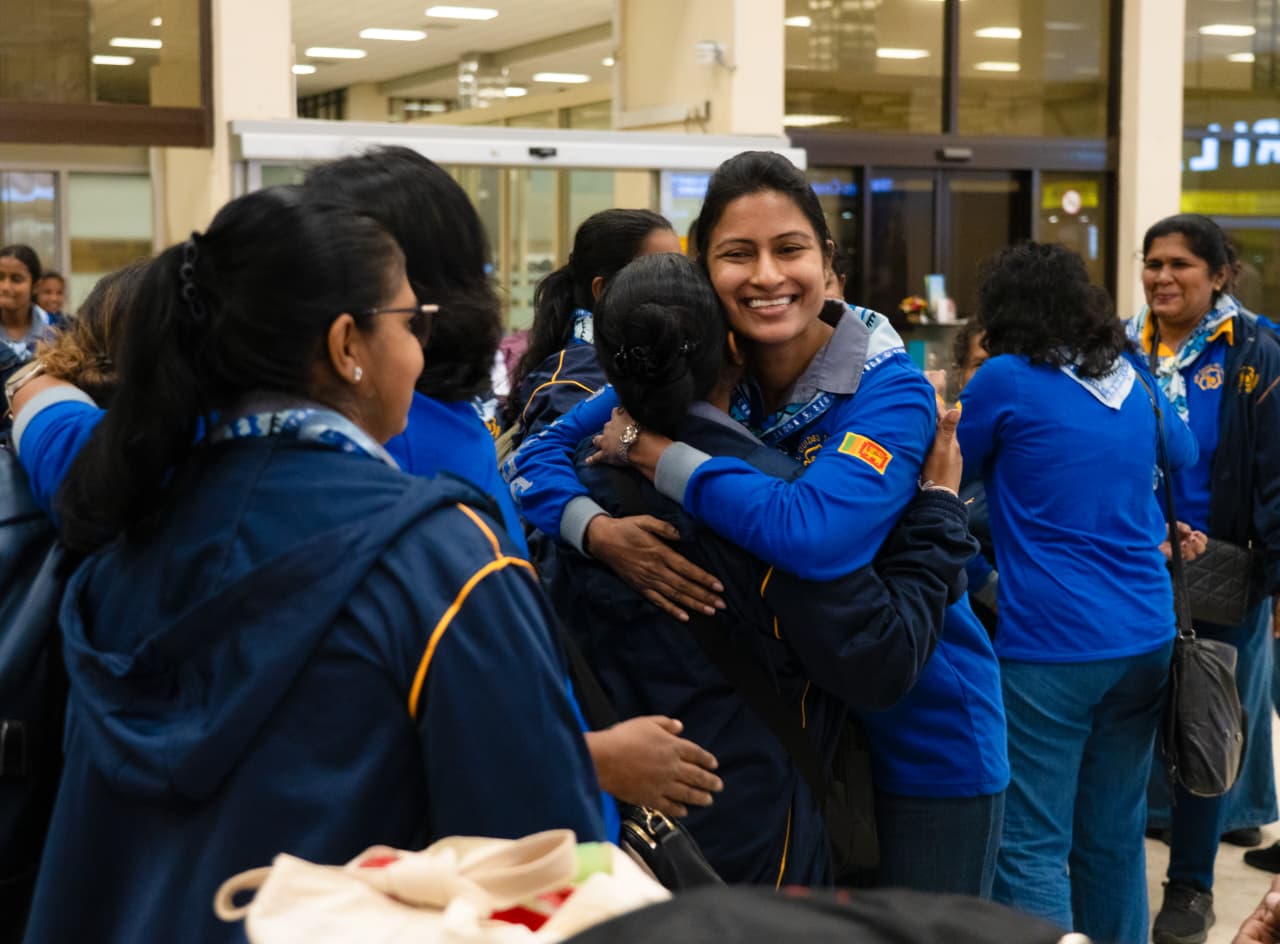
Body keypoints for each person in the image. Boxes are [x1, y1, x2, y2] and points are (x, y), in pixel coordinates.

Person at [22, 186, 606, 943]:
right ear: (346, 346)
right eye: (411, 322)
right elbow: (540, 867)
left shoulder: (125, 531)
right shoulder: (442, 561)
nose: (421, 350)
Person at [505, 150, 1008, 898]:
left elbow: (815, 534)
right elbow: (537, 452)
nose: (767, 276)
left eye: (790, 249)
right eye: (738, 254)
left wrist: (654, 452)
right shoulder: (713, 362)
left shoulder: (888, 390)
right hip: (808, 737)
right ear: (704, 268)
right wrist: (597, 532)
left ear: (827, 261)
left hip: (919, 725)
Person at [562, 250, 977, 883]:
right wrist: (940, 504)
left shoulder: (575, 480)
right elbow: (881, 657)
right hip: (753, 824)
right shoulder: (772, 498)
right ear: (733, 346)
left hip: (621, 831)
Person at [956, 241, 1201, 944]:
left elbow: (943, 470)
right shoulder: (1132, 374)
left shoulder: (1004, 378)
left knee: (1031, 843)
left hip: (1051, 642)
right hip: (1147, 634)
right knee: (1114, 835)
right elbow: (1182, 453)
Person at [1128, 213, 1280, 944]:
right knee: (1127, 721)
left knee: (1205, 728)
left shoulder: (1256, 351)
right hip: (1131, 565)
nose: (1162, 277)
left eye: (1180, 264)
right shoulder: (1117, 348)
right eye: (1152, 262)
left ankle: (1190, 886)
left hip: (1220, 575)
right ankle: (1116, 873)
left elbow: (1276, 473)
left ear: (1219, 275)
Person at [501, 208, 679, 445]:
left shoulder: (636, 361)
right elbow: (546, 460)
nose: (682, 286)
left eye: (683, 270)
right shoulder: (574, 382)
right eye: (663, 275)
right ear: (603, 290)